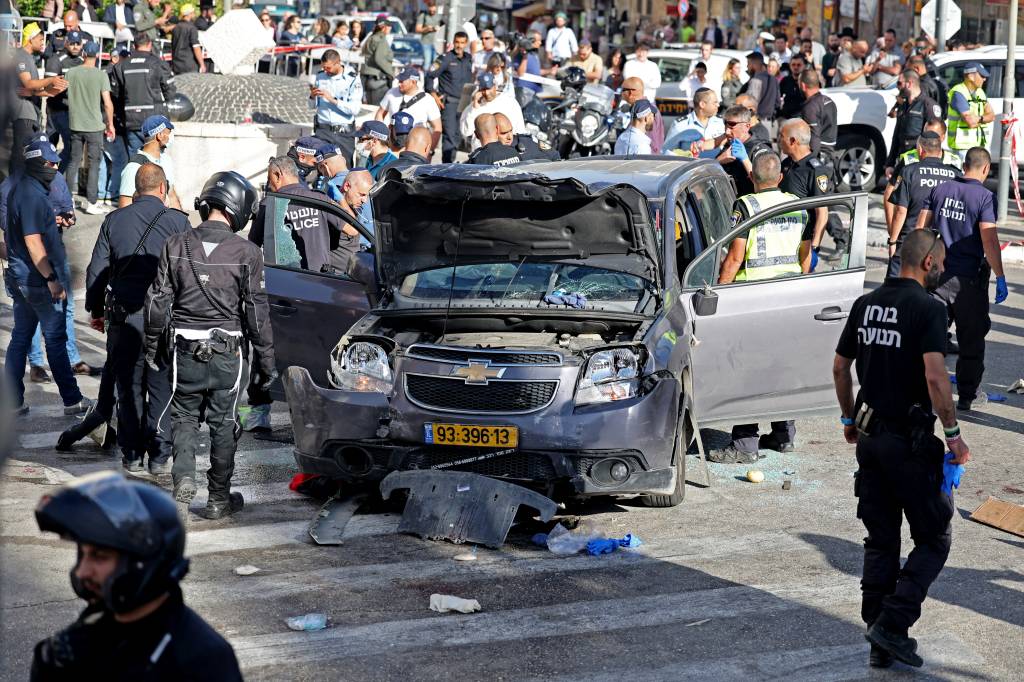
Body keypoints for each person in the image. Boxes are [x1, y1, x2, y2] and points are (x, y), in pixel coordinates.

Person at [831, 228, 969, 670]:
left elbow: (839, 367)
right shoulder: (929, 309)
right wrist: (952, 434)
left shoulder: (865, 305)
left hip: (869, 441)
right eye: (941, 262)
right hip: (907, 444)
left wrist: (850, 419)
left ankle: (879, 642)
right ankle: (893, 623)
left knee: (881, 542)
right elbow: (934, 377)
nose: (943, 269)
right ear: (927, 261)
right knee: (934, 538)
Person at [144, 171, 275, 518]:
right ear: (240, 208)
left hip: (184, 349)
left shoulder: (175, 245)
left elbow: (157, 303)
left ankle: (183, 478)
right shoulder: (248, 252)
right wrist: (266, 364)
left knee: (184, 416)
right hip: (227, 353)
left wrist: (152, 346)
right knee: (223, 422)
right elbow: (257, 316)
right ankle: (218, 499)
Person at [32, 471, 243, 678]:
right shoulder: (88, 634)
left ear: (141, 563)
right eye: (83, 555)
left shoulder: (202, 660)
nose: (82, 571)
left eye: (100, 556)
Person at [85, 163, 190, 473]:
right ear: (163, 189)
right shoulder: (178, 223)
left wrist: (95, 310)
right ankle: (159, 454)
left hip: (123, 318)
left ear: (135, 190)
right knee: (160, 383)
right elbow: (189, 272)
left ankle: (132, 454)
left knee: (128, 386)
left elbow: (96, 271)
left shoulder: (114, 220)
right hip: (164, 318)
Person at [707, 151, 807, 464]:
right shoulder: (798, 206)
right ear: (779, 178)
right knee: (782, 366)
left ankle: (745, 445)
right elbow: (806, 252)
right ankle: (783, 435)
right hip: (789, 295)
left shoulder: (746, 206)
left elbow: (735, 257)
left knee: (749, 370)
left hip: (755, 298)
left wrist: (719, 294)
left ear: (752, 178)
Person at [3, 139, 91, 417]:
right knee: (54, 338)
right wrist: (51, 278)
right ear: (35, 164)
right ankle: (72, 400)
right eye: (50, 163)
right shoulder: (30, 195)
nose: (55, 166)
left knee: (20, 336)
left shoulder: (24, 190)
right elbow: (32, 241)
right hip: (37, 279)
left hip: (22, 276)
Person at [917, 147, 1008, 410]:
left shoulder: (941, 189)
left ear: (964, 165)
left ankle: (920, 391)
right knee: (971, 340)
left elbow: (920, 229)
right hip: (968, 281)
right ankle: (967, 396)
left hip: (936, 277)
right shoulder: (985, 197)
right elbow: (989, 239)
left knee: (929, 336)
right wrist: (1000, 276)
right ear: (986, 168)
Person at [886, 131, 960, 277]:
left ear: (920, 149)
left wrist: (893, 241)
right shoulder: (955, 174)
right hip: (940, 244)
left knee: (896, 289)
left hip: (910, 240)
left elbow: (900, 211)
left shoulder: (909, 171)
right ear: (940, 151)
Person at [65, 41, 115, 216]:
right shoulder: (101, 75)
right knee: (94, 164)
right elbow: (108, 104)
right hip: (94, 126)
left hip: (75, 124)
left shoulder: (71, 73)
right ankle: (92, 203)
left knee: (73, 161)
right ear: (98, 55)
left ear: (84, 54)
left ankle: (67, 201)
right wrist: (111, 124)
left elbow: (60, 91)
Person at [778, 119, 835, 271]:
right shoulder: (786, 164)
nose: (778, 140)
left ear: (792, 141)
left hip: (802, 244)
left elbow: (822, 213)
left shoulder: (815, 171)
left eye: (780, 136)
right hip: (782, 239)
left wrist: (814, 248)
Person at [110, 32, 176, 156]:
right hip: (155, 122)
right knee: (156, 161)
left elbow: (116, 95)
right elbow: (170, 91)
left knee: (136, 162)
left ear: (134, 46)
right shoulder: (158, 63)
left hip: (131, 120)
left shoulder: (120, 66)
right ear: (150, 45)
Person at [14, 23, 68, 174]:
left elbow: (33, 90)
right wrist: (51, 80)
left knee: (27, 158)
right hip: (22, 116)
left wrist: (53, 91)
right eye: (40, 39)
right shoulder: (21, 56)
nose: (43, 42)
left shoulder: (30, 58)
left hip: (32, 115)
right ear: (30, 39)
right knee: (20, 157)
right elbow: (28, 83)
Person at [309, 48, 363, 166]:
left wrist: (333, 100)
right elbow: (311, 107)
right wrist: (312, 97)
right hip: (323, 129)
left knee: (344, 167)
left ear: (338, 63)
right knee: (322, 168)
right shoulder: (320, 76)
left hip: (343, 132)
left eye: (328, 67)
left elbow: (355, 109)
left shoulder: (352, 78)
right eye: (323, 67)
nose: (325, 70)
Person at [885, 70, 942, 177]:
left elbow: (933, 139)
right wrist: (890, 163)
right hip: (902, 160)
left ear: (909, 83)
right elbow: (896, 135)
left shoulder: (928, 105)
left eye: (899, 83)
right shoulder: (903, 105)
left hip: (918, 161)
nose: (897, 87)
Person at [427, 31, 473, 163]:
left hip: (464, 102)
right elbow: (429, 76)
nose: (459, 45)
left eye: (462, 42)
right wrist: (434, 95)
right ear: (453, 42)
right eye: (457, 42)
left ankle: (451, 165)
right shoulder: (445, 58)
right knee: (450, 136)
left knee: (458, 136)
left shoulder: (468, 58)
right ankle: (446, 167)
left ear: (466, 43)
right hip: (449, 103)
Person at [119, 115, 181, 209]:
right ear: (159, 135)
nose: (170, 137)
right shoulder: (133, 167)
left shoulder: (166, 160)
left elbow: (171, 196)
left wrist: (182, 221)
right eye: (169, 132)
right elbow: (125, 208)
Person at [44, 29, 84, 171]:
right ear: (66, 43)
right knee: (50, 145)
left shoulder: (82, 61)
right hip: (56, 110)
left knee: (72, 147)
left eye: (77, 43)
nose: (75, 46)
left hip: (73, 112)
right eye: (72, 43)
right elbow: (47, 86)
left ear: (81, 44)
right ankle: (47, 176)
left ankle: (58, 177)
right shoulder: (56, 59)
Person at [376, 66, 442, 151]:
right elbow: (380, 113)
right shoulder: (391, 93)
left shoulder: (427, 99)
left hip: (416, 149)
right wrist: (382, 137)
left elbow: (437, 127)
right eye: (399, 81)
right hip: (393, 146)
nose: (399, 84)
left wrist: (430, 151)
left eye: (402, 81)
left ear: (413, 81)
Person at [459, 72, 525, 152]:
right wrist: (475, 107)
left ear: (495, 86)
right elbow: (466, 131)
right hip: (483, 153)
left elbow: (520, 129)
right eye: (483, 89)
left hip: (508, 150)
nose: (486, 93)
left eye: (488, 88)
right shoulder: (474, 107)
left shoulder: (509, 101)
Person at [946, 63, 995, 162]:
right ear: (971, 76)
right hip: (963, 148)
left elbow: (992, 116)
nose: (984, 79)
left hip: (979, 145)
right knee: (964, 176)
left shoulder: (980, 92)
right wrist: (983, 118)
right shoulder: (959, 93)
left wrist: (979, 118)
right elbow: (971, 122)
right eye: (982, 76)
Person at [799, 68, 838, 160]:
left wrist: (811, 160)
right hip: (830, 153)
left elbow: (814, 138)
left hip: (819, 156)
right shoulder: (829, 101)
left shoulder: (811, 107)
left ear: (803, 86)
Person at [619, 76, 664, 154]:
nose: (620, 93)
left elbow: (652, 144)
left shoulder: (648, 112)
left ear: (630, 93)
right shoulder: (638, 109)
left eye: (622, 90)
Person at [738, 52, 779, 127]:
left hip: (756, 122)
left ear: (754, 64)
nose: (747, 66)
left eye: (749, 63)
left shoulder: (756, 80)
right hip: (769, 122)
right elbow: (777, 102)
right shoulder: (774, 79)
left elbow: (749, 104)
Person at [360, 16, 394, 105]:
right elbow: (379, 59)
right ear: (384, 27)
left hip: (369, 78)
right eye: (389, 26)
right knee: (378, 110)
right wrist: (391, 73)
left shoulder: (372, 37)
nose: (390, 28)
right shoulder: (381, 39)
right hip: (378, 80)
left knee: (372, 109)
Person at [170, 4, 204, 75]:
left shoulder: (175, 28)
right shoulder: (192, 28)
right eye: (193, 12)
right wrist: (202, 64)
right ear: (189, 14)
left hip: (176, 66)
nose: (194, 14)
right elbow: (196, 47)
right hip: (189, 65)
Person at [779, 52, 806, 119]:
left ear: (804, 66)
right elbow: (778, 96)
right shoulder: (785, 81)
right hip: (788, 117)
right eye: (793, 65)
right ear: (790, 66)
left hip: (804, 117)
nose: (796, 67)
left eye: (798, 65)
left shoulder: (808, 80)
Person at [415, 0, 442, 67]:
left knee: (435, 63)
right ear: (428, 7)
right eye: (430, 11)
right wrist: (427, 29)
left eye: (434, 11)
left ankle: (433, 77)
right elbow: (417, 29)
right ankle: (426, 76)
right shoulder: (423, 15)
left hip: (437, 43)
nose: (432, 12)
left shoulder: (440, 16)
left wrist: (439, 29)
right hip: (426, 42)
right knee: (427, 63)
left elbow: (445, 28)